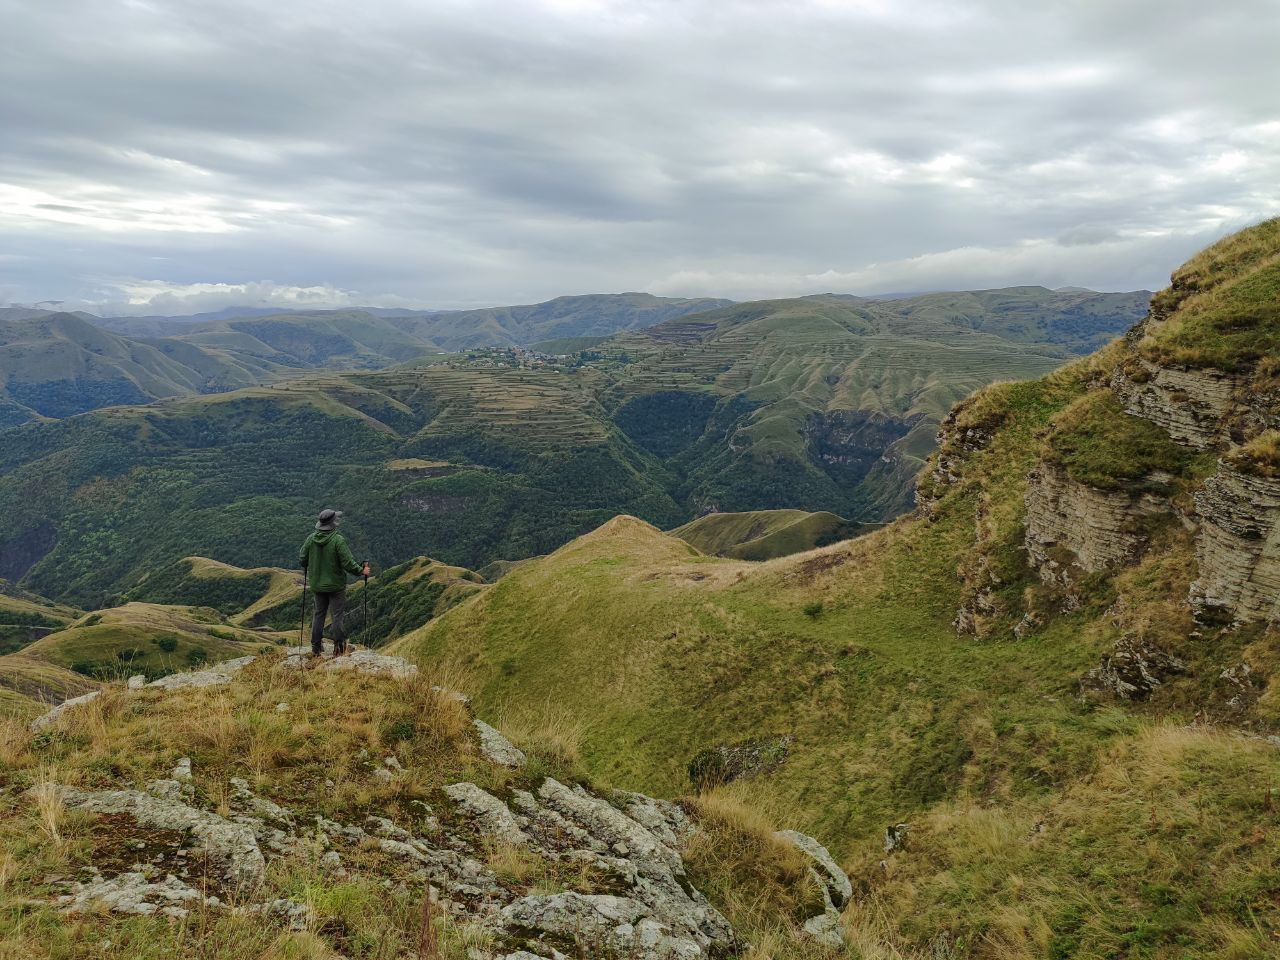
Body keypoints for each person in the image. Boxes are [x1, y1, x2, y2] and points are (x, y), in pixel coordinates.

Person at [298, 508, 364, 656]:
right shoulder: (337, 540)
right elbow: (348, 563)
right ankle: (339, 648)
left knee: (319, 614)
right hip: (336, 586)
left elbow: (302, 559)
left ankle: (316, 647)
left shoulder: (311, 539)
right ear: (333, 523)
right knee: (337, 615)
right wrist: (361, 571)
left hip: (317, 585)